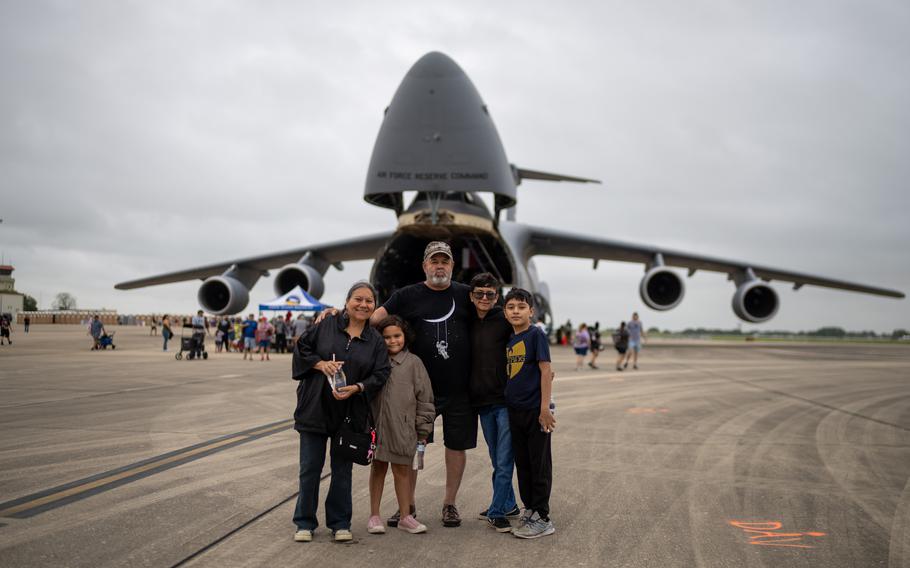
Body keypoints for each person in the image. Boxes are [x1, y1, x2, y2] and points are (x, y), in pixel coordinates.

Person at [369, 241, 476, 528]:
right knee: (412, 447)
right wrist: (338, 317)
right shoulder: (407, 295)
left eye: (445, 261)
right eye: (434, 261)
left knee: (456, 446)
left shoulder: (467, 295)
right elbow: (373, 319)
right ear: (425, 266)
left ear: (452, 266)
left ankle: (449, 503)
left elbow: (497, 318)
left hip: (459, 388)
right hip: (416, 390)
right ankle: (408, 505)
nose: (439, 266)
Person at [292, 282, 390, 543]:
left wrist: (358, 387)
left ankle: (339, 522)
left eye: (369, 301)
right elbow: (302, 348)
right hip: (315, 408)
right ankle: (304, 522)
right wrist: (320, 364)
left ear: (374, 306)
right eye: (358, 299)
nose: (363, 305)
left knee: (342, 470)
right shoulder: (327, 324)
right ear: (347, 301)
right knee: (310, 468)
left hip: (349, 413)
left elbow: (381, 373)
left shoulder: (375, 341)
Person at [367, 316, 435, 535]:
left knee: (402, 471)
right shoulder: (375, 361)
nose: (392, 341)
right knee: (377, 469)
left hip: (403, 428)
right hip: (377, 427)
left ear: (405, 336)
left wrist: (423, 429)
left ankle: (405, 516)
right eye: (386, 337)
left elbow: (425, 398)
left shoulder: (414, 363)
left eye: (396, 336)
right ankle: (374, 516)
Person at [468, 272, 520, 531]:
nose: (485, 298)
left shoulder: (504, 319)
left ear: (497, 296)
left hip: (504, 401)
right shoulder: (466, 320)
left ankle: (498, 510)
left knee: (504, 460)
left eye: (490, 294)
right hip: (481, 402)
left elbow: (527, 335)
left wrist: (542, 367)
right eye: (479, 293)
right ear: (471, 296)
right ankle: (509, 504)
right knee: (495, 457)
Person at [503, 288, 556, 539]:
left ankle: (543, 517)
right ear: (505, 311)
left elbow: (546, 371)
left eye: (521, 307)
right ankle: (530, 509)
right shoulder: (511, 340)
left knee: (539, 464)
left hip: (536, 411)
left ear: (531, 311)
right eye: (511, 306)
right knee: (522, 464)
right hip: (515, 412)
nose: (516, 311)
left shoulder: (536, 335)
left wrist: (544, 409)